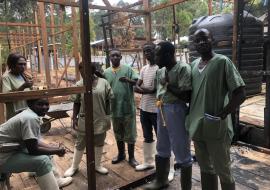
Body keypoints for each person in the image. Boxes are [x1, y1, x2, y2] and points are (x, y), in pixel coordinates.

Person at [187, 28, 246, 190]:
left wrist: (223, 114)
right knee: (205, 167)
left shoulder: (222, 62)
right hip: (197, 127)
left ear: (213, 40)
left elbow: (240, 94)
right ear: (193, 45)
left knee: (223, 169)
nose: (201, 43)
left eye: (204, 39)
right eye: (197, 40)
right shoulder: (192, 66)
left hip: (216, 127)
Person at [143, 41, 192, 190]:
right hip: (161, 108)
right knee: (162, 145)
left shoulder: (183, 68)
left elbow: (186, 96)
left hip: (176, 110)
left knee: (180, 147)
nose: (154, 57)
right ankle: (161, 180)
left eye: (157, 54)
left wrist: (168, 85)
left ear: (168, 55)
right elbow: (159, 91)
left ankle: (186, 187)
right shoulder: (160, 71)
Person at [0, 98, 67, 190]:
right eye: (40, 104)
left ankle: (56, 180)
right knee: (42, 161)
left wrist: (52, 148)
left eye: (46, 104)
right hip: (3, 155)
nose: (44, 107)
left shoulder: (29, 114)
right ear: (30, 105)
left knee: (48, 152)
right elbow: (33, 150)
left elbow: (33, 140)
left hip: (8, 149)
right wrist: (57, 151)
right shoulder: (30, 118)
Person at [64, 62, 113, 177]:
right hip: (84, 118)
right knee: (80, 142)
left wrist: (107, 115)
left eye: (85, 72)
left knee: (99, 142)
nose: (83, 75)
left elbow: (108, 100)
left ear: (92, 71)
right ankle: (74, 167)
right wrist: (74, 117)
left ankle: (97, 165)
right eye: (81, 73)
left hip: (100, 118)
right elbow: (76, 102)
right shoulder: (79, 84)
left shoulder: (103, 83)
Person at [104, 48, 139, 168]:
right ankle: (121, 154)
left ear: (121, 57)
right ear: (110, 57)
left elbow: (137, 81)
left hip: (127, 107)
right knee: (118, 132)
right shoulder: (106, 72)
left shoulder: (128, 69)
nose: (114, 58)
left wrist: (128, 80)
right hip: (114, 108)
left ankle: (132, 157)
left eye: (117, 56)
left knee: (130, 133)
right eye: (112, 56)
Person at [1, 53, 33, 120]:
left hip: (28, 111)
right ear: (12, 65)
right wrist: (23, 86)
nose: (23, 66)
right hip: (15, 113)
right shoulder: (6, 77)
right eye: (20, 64)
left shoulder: (26, 75)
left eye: (24, 64)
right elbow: (6, 97)